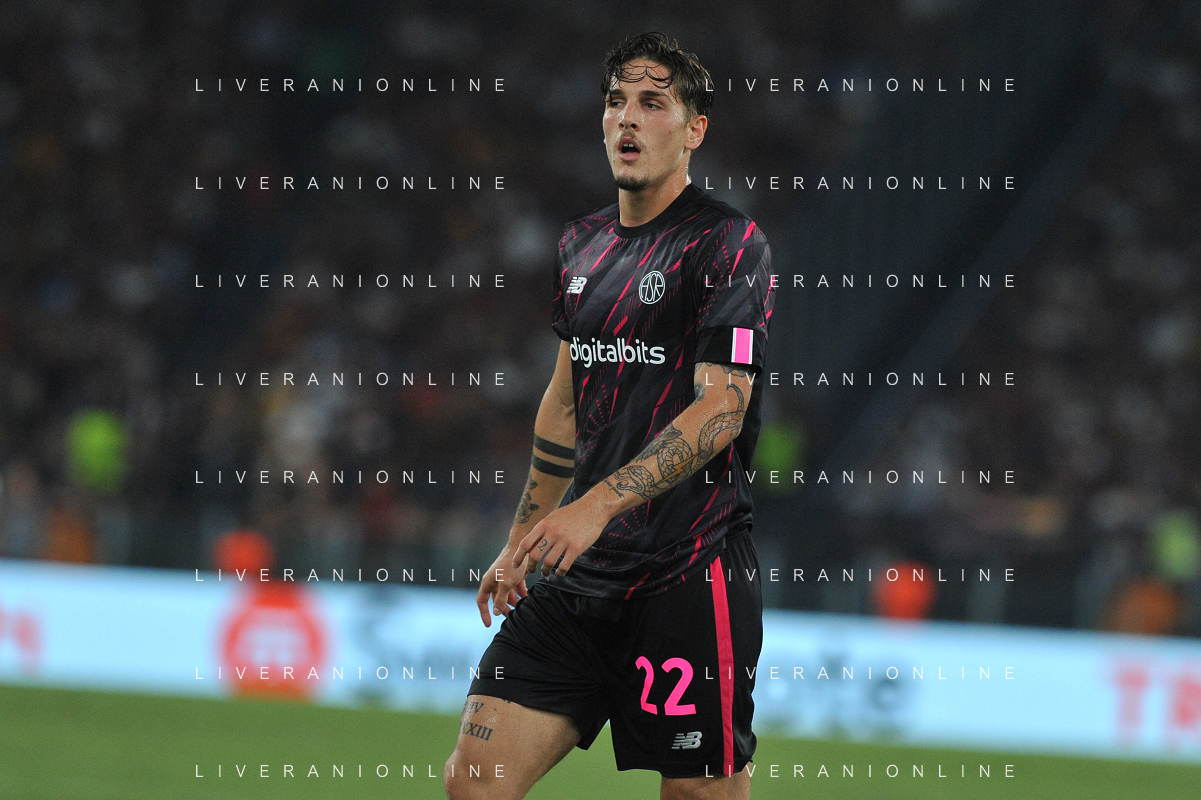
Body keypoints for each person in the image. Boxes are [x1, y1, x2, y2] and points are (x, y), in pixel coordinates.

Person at [445, 32, 775, 800]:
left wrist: (594, 506)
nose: (627, 118)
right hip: (578, 577)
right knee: (474, 781)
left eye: (652, 103)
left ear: (693, 130)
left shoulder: (727, 244)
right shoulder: (580, 245)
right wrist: (524, 538)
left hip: (687, 572)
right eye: (615, 102)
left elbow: (721, 408)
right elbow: (564, 404)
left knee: (695, 794)